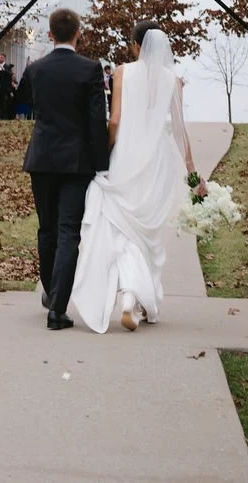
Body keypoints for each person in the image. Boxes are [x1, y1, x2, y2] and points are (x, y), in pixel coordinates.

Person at [71, 21, 206, 333]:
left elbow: (115, 119)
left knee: (123, 229)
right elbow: (181, 132)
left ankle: (130, 296)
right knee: (148, 234)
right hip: (157, 163)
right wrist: (192, 174)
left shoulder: (122, 72)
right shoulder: (174, 81)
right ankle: (139, 298)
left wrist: (104, 150)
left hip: (126, 158)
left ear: (135, 45)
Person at [22, 8, 109, 331]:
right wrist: (103, 166)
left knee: (47, 228)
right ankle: (57, 307)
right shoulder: (89, 69)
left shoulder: (37, 69)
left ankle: (50, 291)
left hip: (42, 158)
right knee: (67, 231)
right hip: (75, 162)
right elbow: (95, 122)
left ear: (49, 34)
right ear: (78, 34)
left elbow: (29, 103)